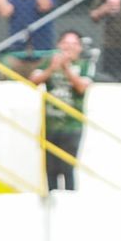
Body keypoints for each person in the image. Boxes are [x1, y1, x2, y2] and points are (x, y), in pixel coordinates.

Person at [30, 30, 93, 191]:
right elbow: (33, 81)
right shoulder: (49, 62)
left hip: (72, 126)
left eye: (73, 44)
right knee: (50, 170)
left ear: (79, 47)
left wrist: (66, 69)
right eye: (65, 43)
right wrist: (52, 69)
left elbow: (81, 87)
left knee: (68, 169)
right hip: (50, 124)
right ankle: (51, 206)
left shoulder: (85, 65)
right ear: (59, 45)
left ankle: (70, 205)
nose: (69, 47)